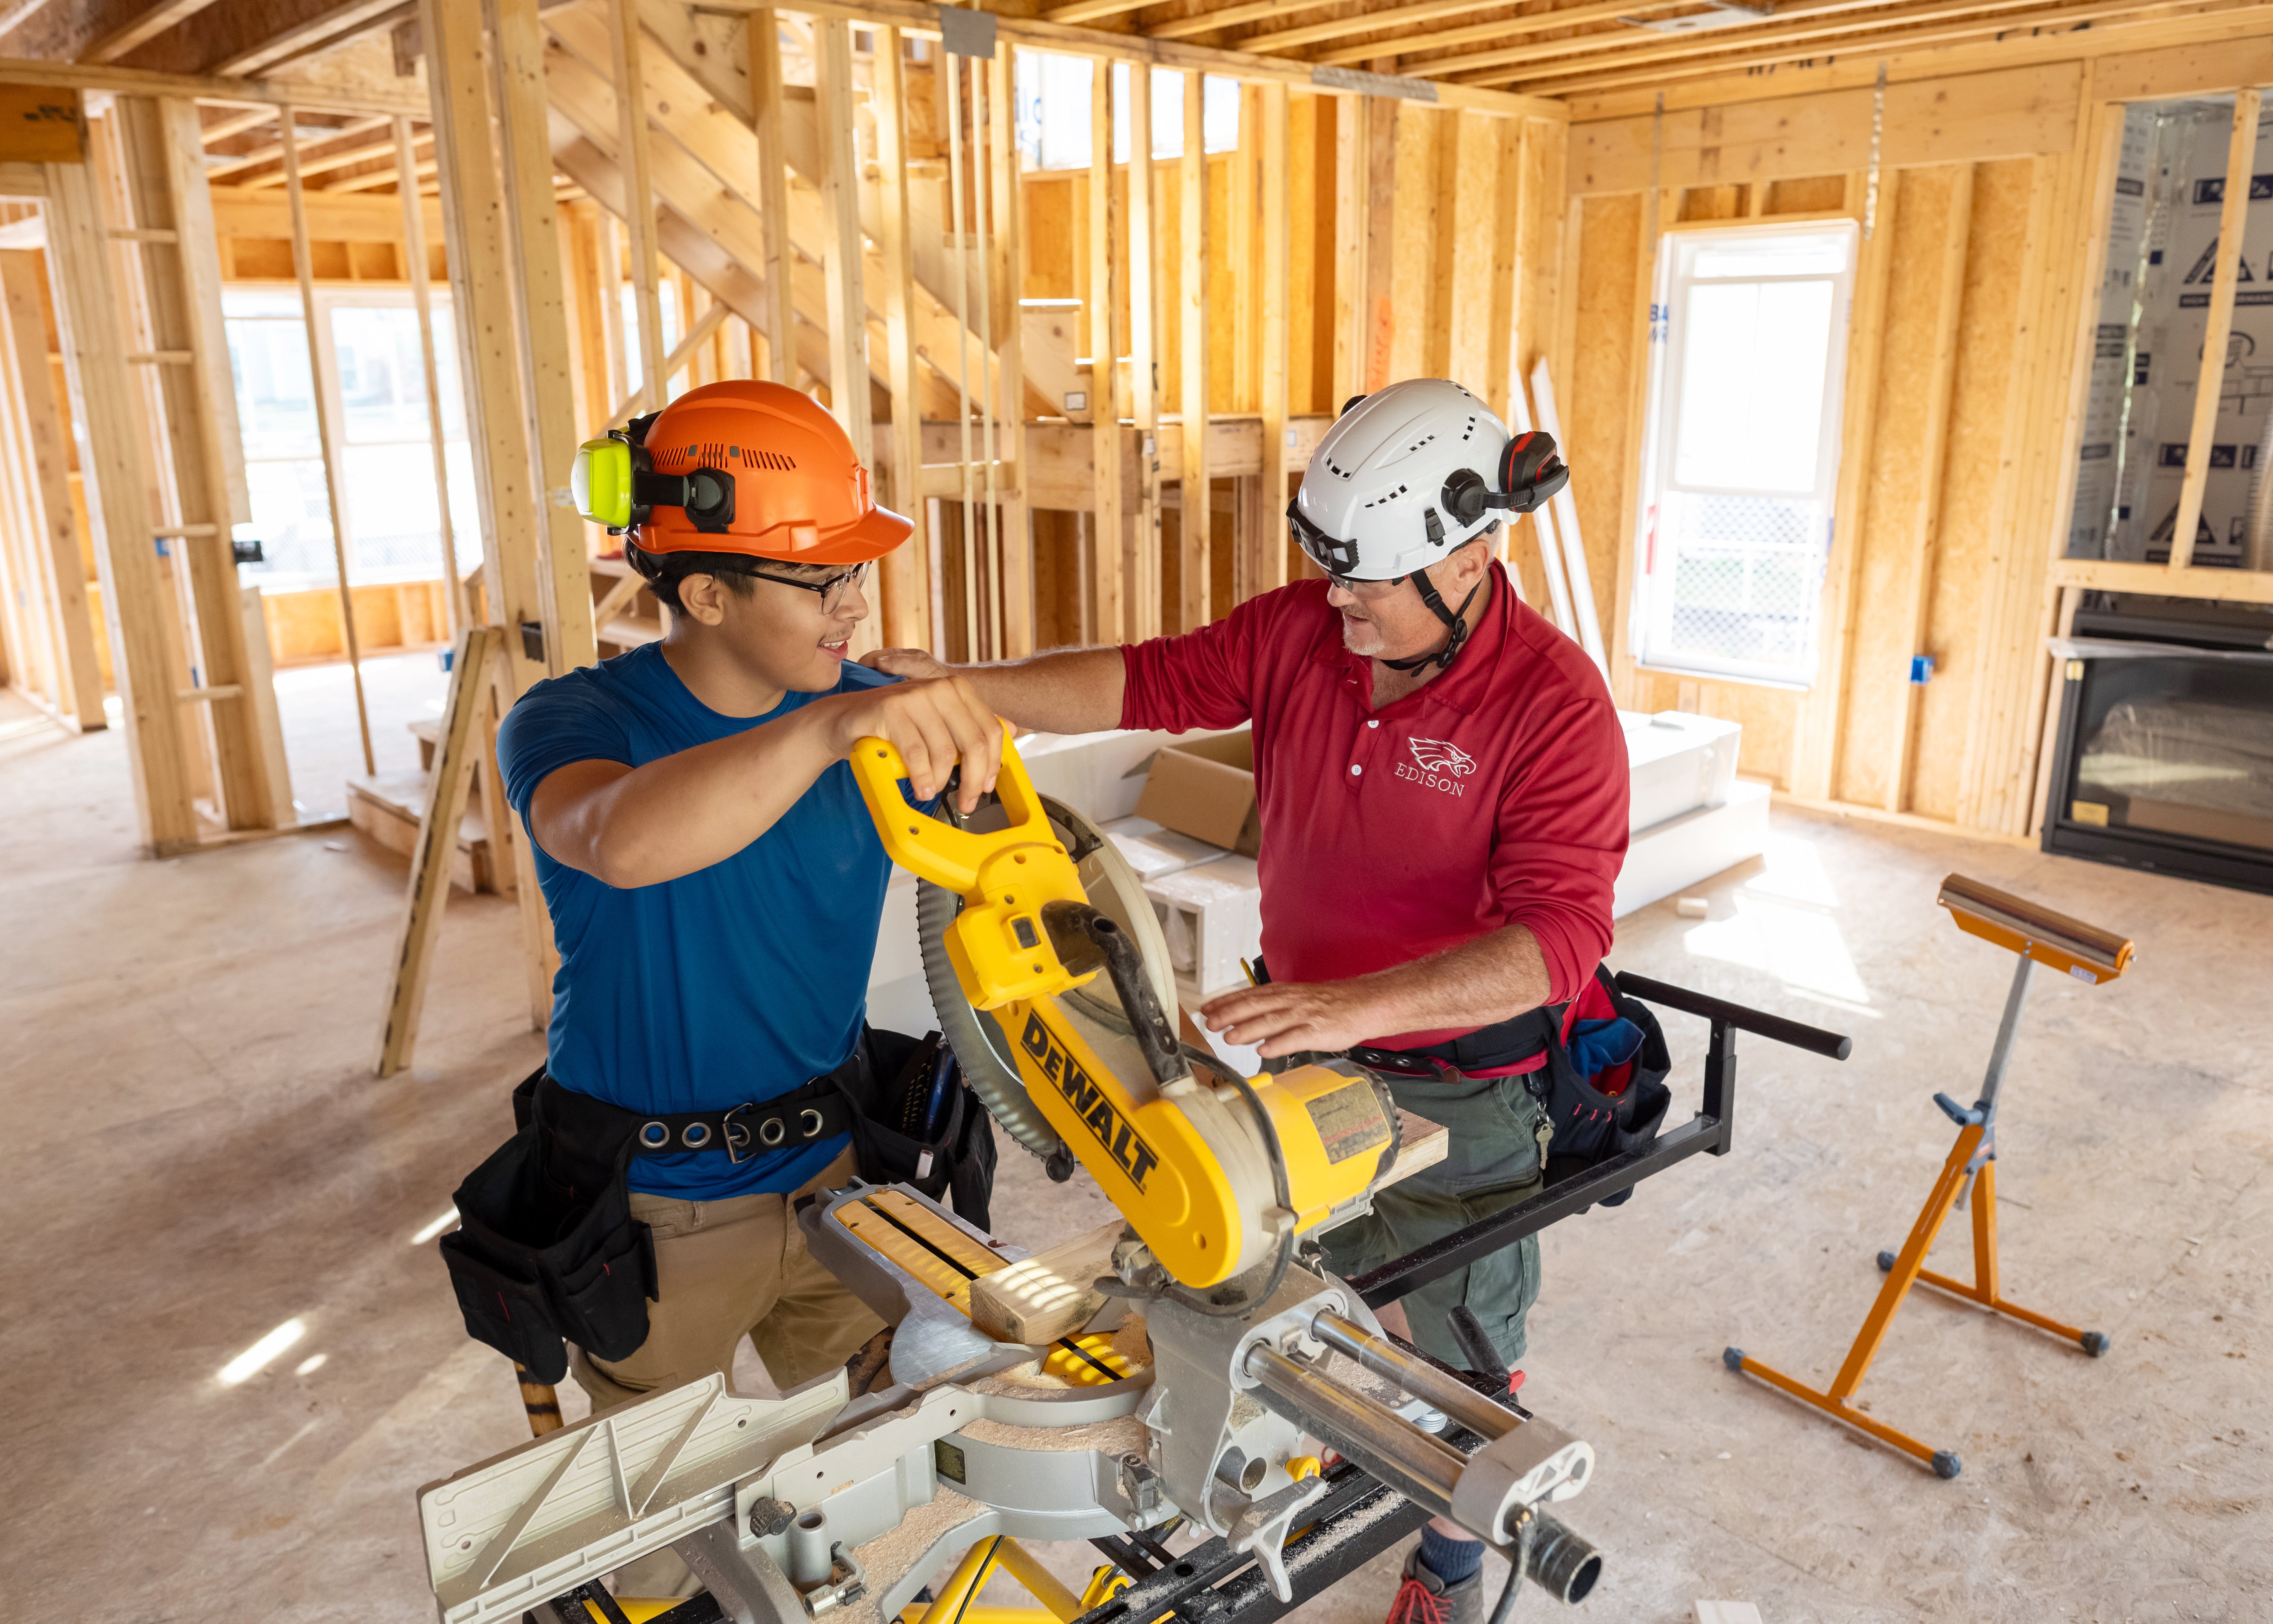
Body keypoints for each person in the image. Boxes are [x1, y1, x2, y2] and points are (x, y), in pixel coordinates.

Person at [861, 377, 1628, 1624]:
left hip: (1465, 1089)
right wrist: (968, 688)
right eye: (1331, 574)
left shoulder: (1556, 708)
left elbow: (1559, 940)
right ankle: (1287, 1477)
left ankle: (1449, 1553)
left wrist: (1350, 1008)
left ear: (1475, 553)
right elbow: (1145, 680)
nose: (1339, 604)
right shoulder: (1304, 634)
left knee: (1462, 1359)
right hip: (1302, 1048)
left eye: (1368, 583)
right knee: (1267, 1301)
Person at [493, 379, 1006, 1451]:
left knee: (879, 1479)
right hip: (654, 1211)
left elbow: (1007, 863)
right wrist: (834, 725)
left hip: (831, 1177)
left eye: (856, 572)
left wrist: (962, 723)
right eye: (821, 581)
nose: (854, 606)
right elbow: (619, 841)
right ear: (710, 595)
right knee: (659, 1541)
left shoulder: (859, 710)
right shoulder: (578, 718)